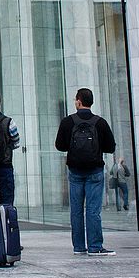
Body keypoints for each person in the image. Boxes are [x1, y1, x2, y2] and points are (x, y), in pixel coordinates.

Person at [54, 87, 117, 257]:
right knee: (93, 210)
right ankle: (95, 246)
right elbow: (111, 147)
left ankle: (79, 247)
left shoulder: (68, 122)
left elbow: (59, 145)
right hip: (95, 170)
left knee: (76, 210)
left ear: (79, 101)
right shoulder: (100, 122)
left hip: (74, 170)